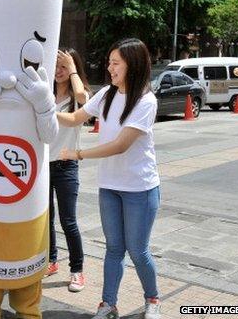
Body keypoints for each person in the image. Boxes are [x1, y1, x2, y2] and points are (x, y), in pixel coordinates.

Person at [57, 38, 161, 319]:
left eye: (116, 63)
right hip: (110, 187)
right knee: (114, 249)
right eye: (110, 62)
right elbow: (77, 116)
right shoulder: (106, 94)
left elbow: (120, 145)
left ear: (133, 65)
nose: (110, 68)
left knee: (138, 251)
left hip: (140, 188)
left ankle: (152, 299)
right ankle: (107, 304)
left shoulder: (146, 101)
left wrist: (77, 153)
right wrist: (45, 113)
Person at [46, 48, 90, 293]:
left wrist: (72, 67)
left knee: (68, 221)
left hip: (66, 166)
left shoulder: (78, 97)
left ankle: (77, 270)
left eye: (62, 67)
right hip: (43, 165)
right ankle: (51, 261)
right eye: (55, 66)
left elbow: (84, 99)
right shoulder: (46, 94)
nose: (58, 72)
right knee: (46, 219)